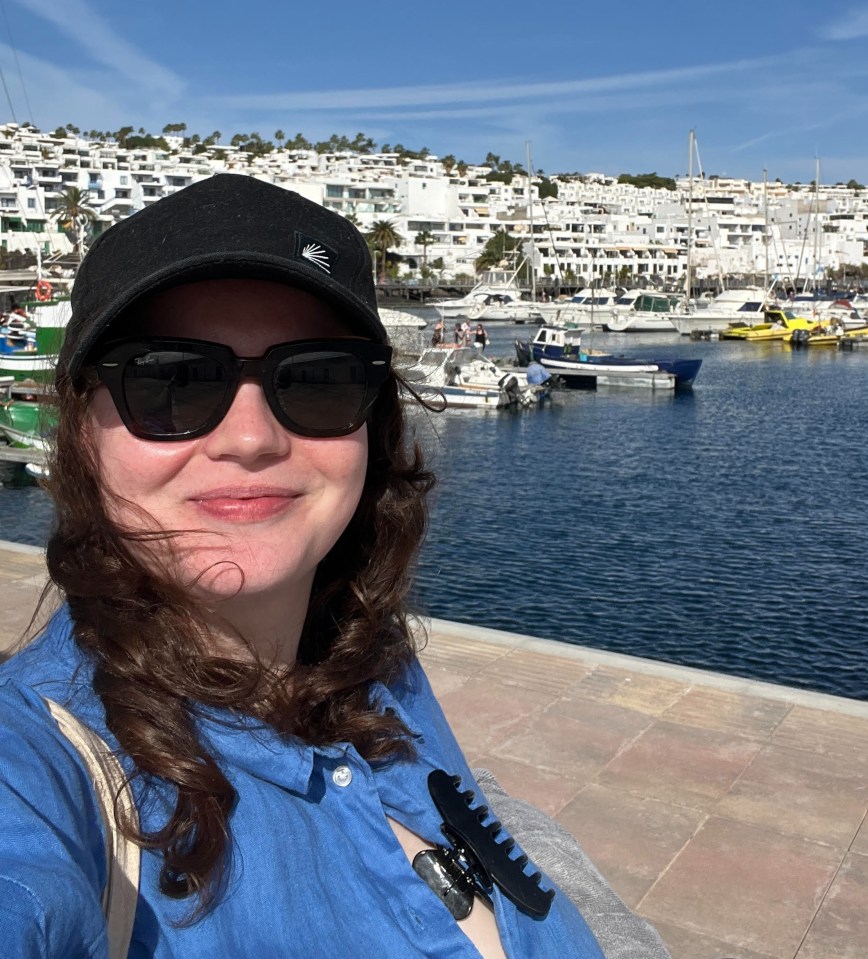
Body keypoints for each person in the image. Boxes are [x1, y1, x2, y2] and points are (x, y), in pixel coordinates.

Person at [0, 175, 611, 958]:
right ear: (84, 432)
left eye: (317, 379)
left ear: (372, 424)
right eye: (169, 381)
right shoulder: (42, 770)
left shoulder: (372, 661)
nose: (250, 439)